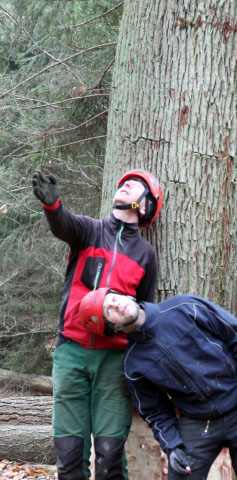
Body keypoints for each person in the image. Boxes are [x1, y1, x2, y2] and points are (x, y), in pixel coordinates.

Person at [32, 169, 162, 479]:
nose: (126, 184)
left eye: (136, 186)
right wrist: (53, 206)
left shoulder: (146, 255)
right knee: (70, 459)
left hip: (115, 362)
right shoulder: (89, 231)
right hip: (71, 353)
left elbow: (145, 313)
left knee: (109, 460)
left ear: (144, 207)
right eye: (124, 182)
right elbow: (63, 225)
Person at [78, 288, 237, 480]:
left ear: (126, 295)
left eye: (113, 298)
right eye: (108, 310)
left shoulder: (185, 307)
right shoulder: (133, 364)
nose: (116, 305)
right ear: (112, 329)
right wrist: (172, 446)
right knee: (180, 473)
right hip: (198, 421)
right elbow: (154, 411)